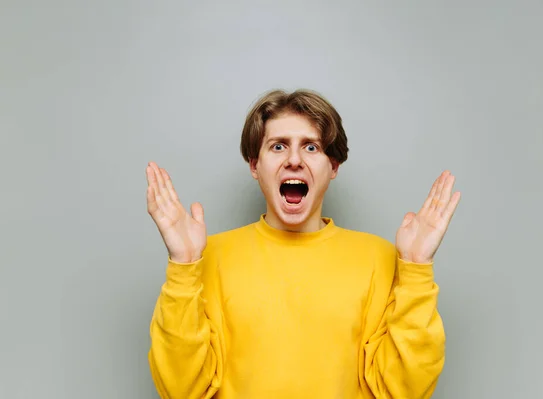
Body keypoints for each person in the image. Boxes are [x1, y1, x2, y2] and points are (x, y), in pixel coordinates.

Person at [145, 89, 461, 399]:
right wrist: (184, 265)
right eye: (278, 146)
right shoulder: (207, 257)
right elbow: (180, 390)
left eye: (311, 147)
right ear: (255, 165)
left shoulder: (379, 259)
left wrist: (417, 269)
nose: (294, 159)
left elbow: (404, 390)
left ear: (333, 166)